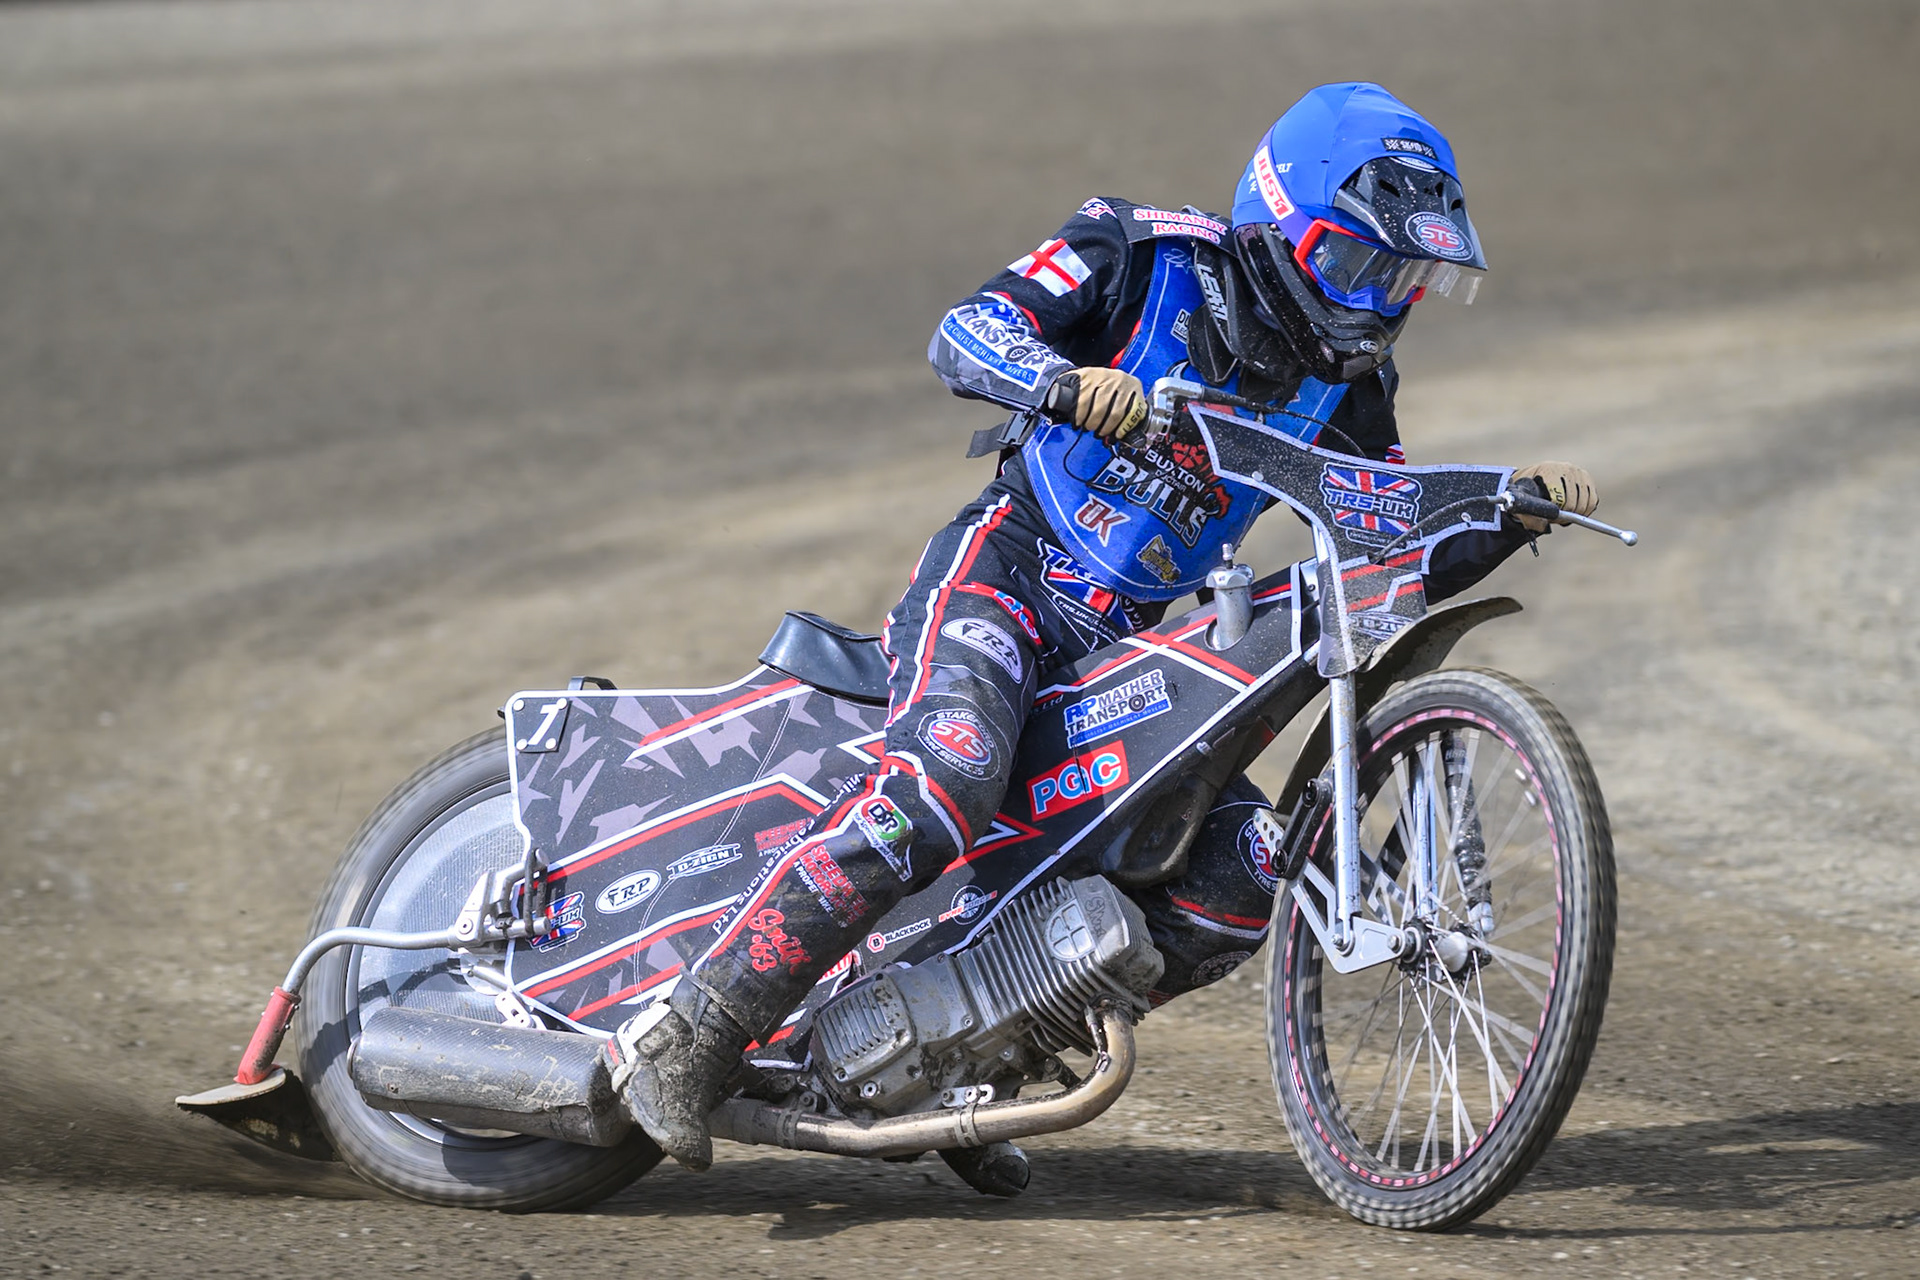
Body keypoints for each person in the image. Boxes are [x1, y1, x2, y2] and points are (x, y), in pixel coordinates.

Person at [605, 81, 1600, 1191]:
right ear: (1288, 222)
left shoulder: (1351, 385)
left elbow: (1375, 544)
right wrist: (1063, 383)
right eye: (1366, 268)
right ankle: (687, 1035)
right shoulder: (1138, 252)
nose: (1380, 305)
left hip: (1128, 652)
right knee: (944, 779)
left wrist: (1498, 518)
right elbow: (964, 331)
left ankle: (962, 1069)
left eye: (1405, 282)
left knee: (1244, 873)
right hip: (1005, 578)